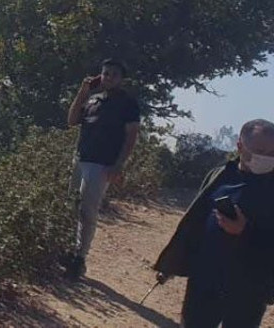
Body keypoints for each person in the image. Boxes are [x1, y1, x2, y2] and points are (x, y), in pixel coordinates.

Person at [153, 119, 274, 328]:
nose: (266, 158)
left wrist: (245, 231)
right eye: (259, 151)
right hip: (205, 279)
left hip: (250, 287)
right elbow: (196, 221)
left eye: (272, 153)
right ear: (239, 146)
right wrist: (174, 261)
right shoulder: (219, 175)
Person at [63, 58, 140, 279]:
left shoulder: (128, 104)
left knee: (87, 211)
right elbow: (71, 120)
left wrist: (119, 164)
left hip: (101, 164)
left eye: (114, 74)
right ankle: (68, 250)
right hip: (80, 159)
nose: (108, 78)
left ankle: (80, 258)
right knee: (71, 206)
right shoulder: (93, 99)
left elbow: (131, 136)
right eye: (105, 73)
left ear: (122, 79)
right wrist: (82, 92)